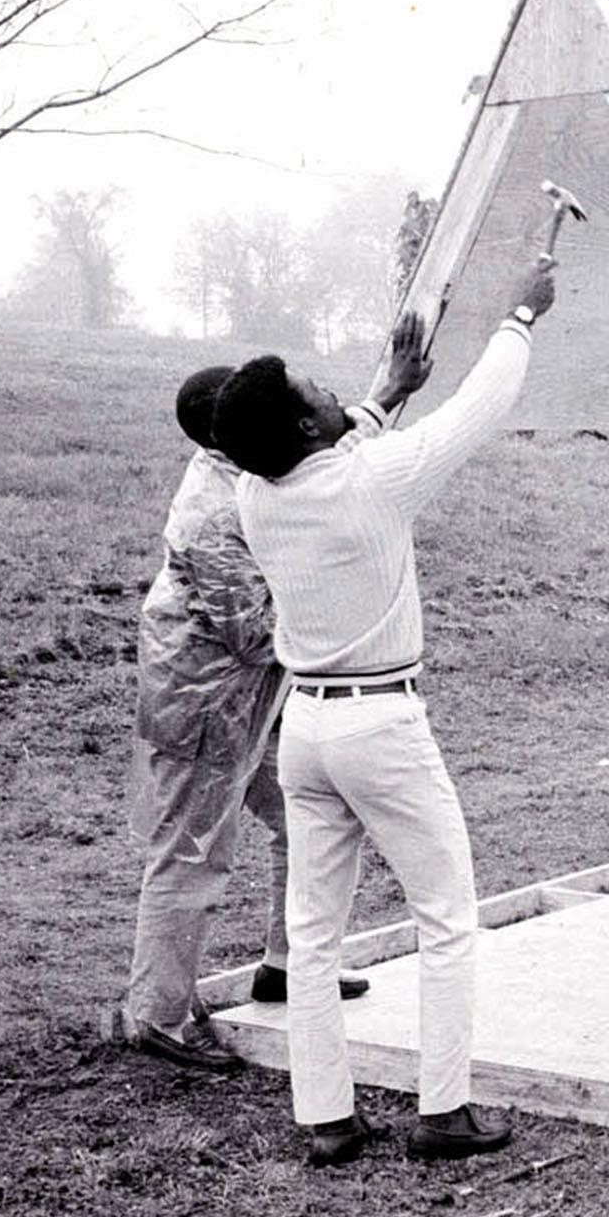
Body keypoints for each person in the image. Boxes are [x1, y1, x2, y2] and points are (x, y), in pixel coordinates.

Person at [212, 261, 556, 1168]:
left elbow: (336, 444)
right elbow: (480, 405)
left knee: (315, 938)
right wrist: (521, 312)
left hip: (307, 734)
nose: (333, 391)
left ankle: (325, 1116)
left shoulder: (257, 492)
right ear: (303, 425)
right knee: (448, 917)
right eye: (316, 390)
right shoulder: (376, 482)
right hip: (381, 726)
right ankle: (444, 1112)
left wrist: (382, 392)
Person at [121, 325, 428, 1073]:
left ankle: (286, 967)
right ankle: (156, 1018)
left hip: (259, 697)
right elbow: (252, 632)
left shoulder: (258, 469)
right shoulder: (213, 513)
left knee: (309, 819)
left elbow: (324, 456)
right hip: (203, 706)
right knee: (191, 855)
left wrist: (386, 394)